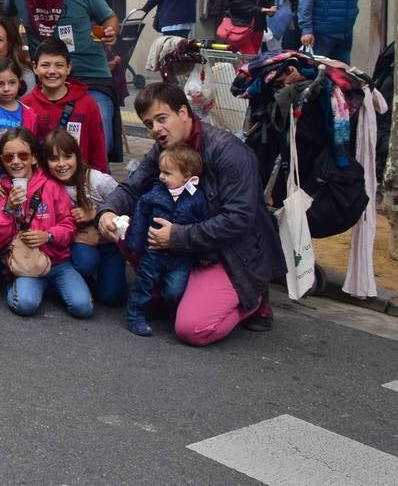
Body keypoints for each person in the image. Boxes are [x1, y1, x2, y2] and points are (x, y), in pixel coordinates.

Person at [97, 83, 284, 346]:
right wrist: (107, 212)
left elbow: (239, 219)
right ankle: (166, 296)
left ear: (184, 112)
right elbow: (132, 187)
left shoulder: (229, 151)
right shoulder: (164, 148)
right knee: (124, 228)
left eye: (162, 119)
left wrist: (178, 236)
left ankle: (252, 301)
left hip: (231, 252)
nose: (156, 130)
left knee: (192, 329)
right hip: (188, 241)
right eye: (149, 124)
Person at [4, 0, 119, 157]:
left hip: (90, 75)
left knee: (99, 132)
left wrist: (110, 32)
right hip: (49, 78)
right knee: (40, 142)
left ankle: (93, 186)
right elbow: (6, 22)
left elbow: (110, 17)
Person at [0, 128, 92, 319]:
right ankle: (17, 283)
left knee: (82, 308)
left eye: (23, 155)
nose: (17, 161)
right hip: (26, 263)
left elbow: (69, 224)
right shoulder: (0, 191)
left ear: (34, 158)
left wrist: (48, 235)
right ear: (2, 161)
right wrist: (8, 209)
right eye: (9, 157)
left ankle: (49, 287)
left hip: (58, 262)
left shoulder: (51, 185)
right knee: (25, 306)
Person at [123, 143, 213, 337]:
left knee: (175, 289)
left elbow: (205, 226)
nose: (161, 176)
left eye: (167, 173)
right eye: (160, 171)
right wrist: (135, 243)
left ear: (187, 175)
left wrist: (207, 253)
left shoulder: (197, 198)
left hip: (181, 257)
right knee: (143, 283)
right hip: (153, 251)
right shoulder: (154, 194)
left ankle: (174, 313)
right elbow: (140, 216)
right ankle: (134, 316)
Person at [41, 130, 124, 307]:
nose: (61, 164)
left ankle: (104, 276)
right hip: (81, 242)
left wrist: (96, 215)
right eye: (54, 159)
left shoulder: (98, 180)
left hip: (110, 243)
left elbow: (126, 206)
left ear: (77, 157)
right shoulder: (49, 185)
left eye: (67, 156)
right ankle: (81, 282)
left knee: (111, 297)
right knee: (85, 263)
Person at [22, 37, 107, 173]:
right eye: (45, 65)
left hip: (79, 183)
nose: (52, 71)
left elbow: (98, 149)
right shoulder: (25, 105)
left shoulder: (87, 104)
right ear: (35, 68)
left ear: (69, 68)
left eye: (59, 65)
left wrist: (98, 180)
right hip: (40, 185)